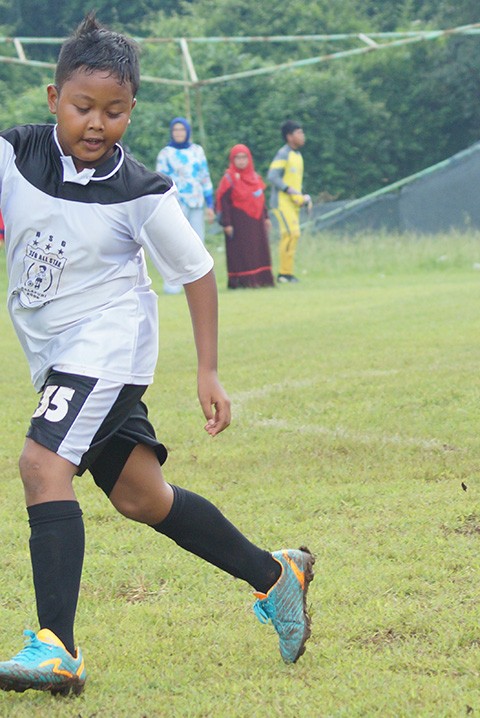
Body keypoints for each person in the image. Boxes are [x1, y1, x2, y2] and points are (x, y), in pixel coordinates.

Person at [0, 15, 314, 696]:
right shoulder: (13, 155)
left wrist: (207, 369)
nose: (96, 124)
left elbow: (198, 272)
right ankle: (275, 576)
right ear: (54, 99)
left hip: (107, 349)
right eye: (83, 107)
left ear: (132, 111)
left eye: (114, 112)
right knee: (143, 498)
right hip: (59, 357)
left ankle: (57, 649)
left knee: (40, 464)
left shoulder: (141, 192)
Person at [155, 117, 214, 294]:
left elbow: (204, 176)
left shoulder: (197, 151)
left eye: (182, 130)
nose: (179, 133)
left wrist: (210, 204)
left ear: (187, 132)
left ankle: (199, 285)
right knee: (174, 243)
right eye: (176, 130)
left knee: (197, 242)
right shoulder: (166, 153)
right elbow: (160, 180)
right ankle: (172, 286)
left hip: (196, 201)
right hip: (175, 204)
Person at [217, 144, 275, 289]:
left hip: (256, 222)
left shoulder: (255, 178)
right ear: (232, 160)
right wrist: (227, 223)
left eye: (244, 158)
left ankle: (261, 280)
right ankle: (243, 282)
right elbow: (224, 202)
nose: (241, 161)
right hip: (239, 223)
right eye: (238, 158)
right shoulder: (229, 179)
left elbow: (260, 199)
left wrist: (266, 217)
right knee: (241, 252)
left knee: (258, 250)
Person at [267, 119, 311, 284]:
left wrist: (302, 198)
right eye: (299, 133)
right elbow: (272, 176)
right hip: (281, 202)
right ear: (289, 136)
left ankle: (288, 273)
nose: (302, 136)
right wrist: (288, 190)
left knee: (294, 235)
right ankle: (283, 274)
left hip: (294, 203)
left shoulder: (298, 155)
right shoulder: (283, 153)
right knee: (290, 234)